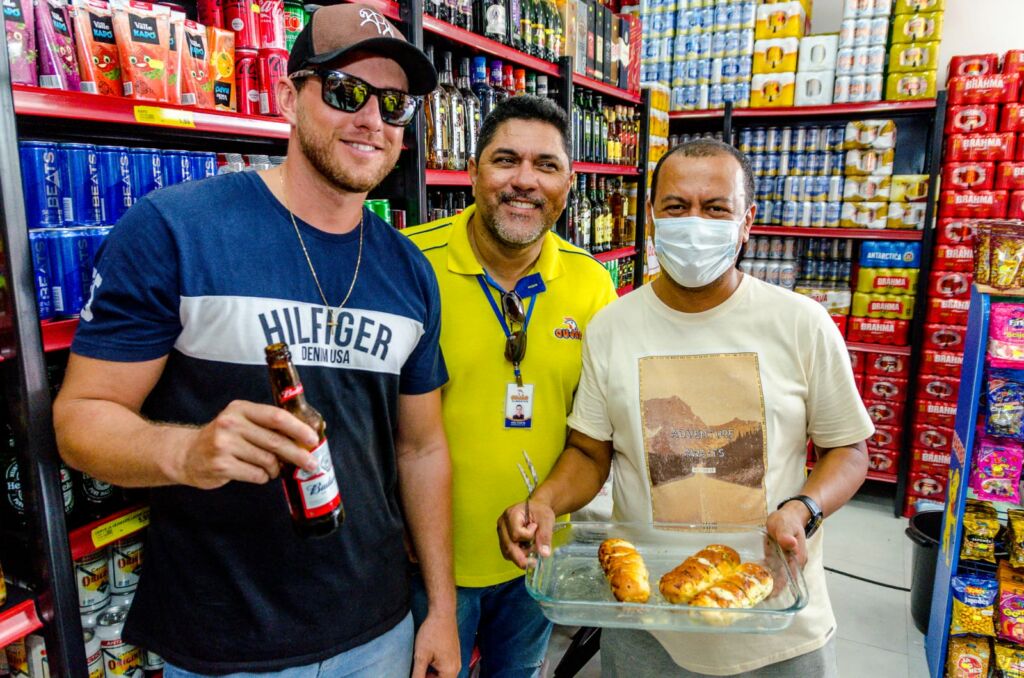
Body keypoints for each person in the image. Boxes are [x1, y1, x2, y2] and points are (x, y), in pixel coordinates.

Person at [52, 6, 459, 677]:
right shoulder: (174, 230)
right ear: (286, 94)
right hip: (224, 642)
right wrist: (187, 451)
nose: (372, 121)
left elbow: (422, 448)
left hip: (379, 628)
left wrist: (439, 609)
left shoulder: (410, 270)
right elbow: (79, 420)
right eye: (346, 92)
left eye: (394, 106)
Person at [497, 138, 873, 677]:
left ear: (747, 221)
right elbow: (588, 450)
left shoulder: (800, 324)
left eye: (716, 207)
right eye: (676, 207)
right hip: (648, 623)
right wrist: (545, 502)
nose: (695, 222)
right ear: (652, 219)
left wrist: (803, 509)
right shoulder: (613, 326)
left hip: (777, 627)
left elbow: (849, 451)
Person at [403, 96, 616, 677]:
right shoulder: (406, 265)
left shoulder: (594, 287)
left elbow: (591, 441)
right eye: (506, 160)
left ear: (569, 185)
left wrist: (544, 505)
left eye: (546, 165)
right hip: (420, 567)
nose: (525, 181)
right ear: (473, 172)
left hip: (536, 560)